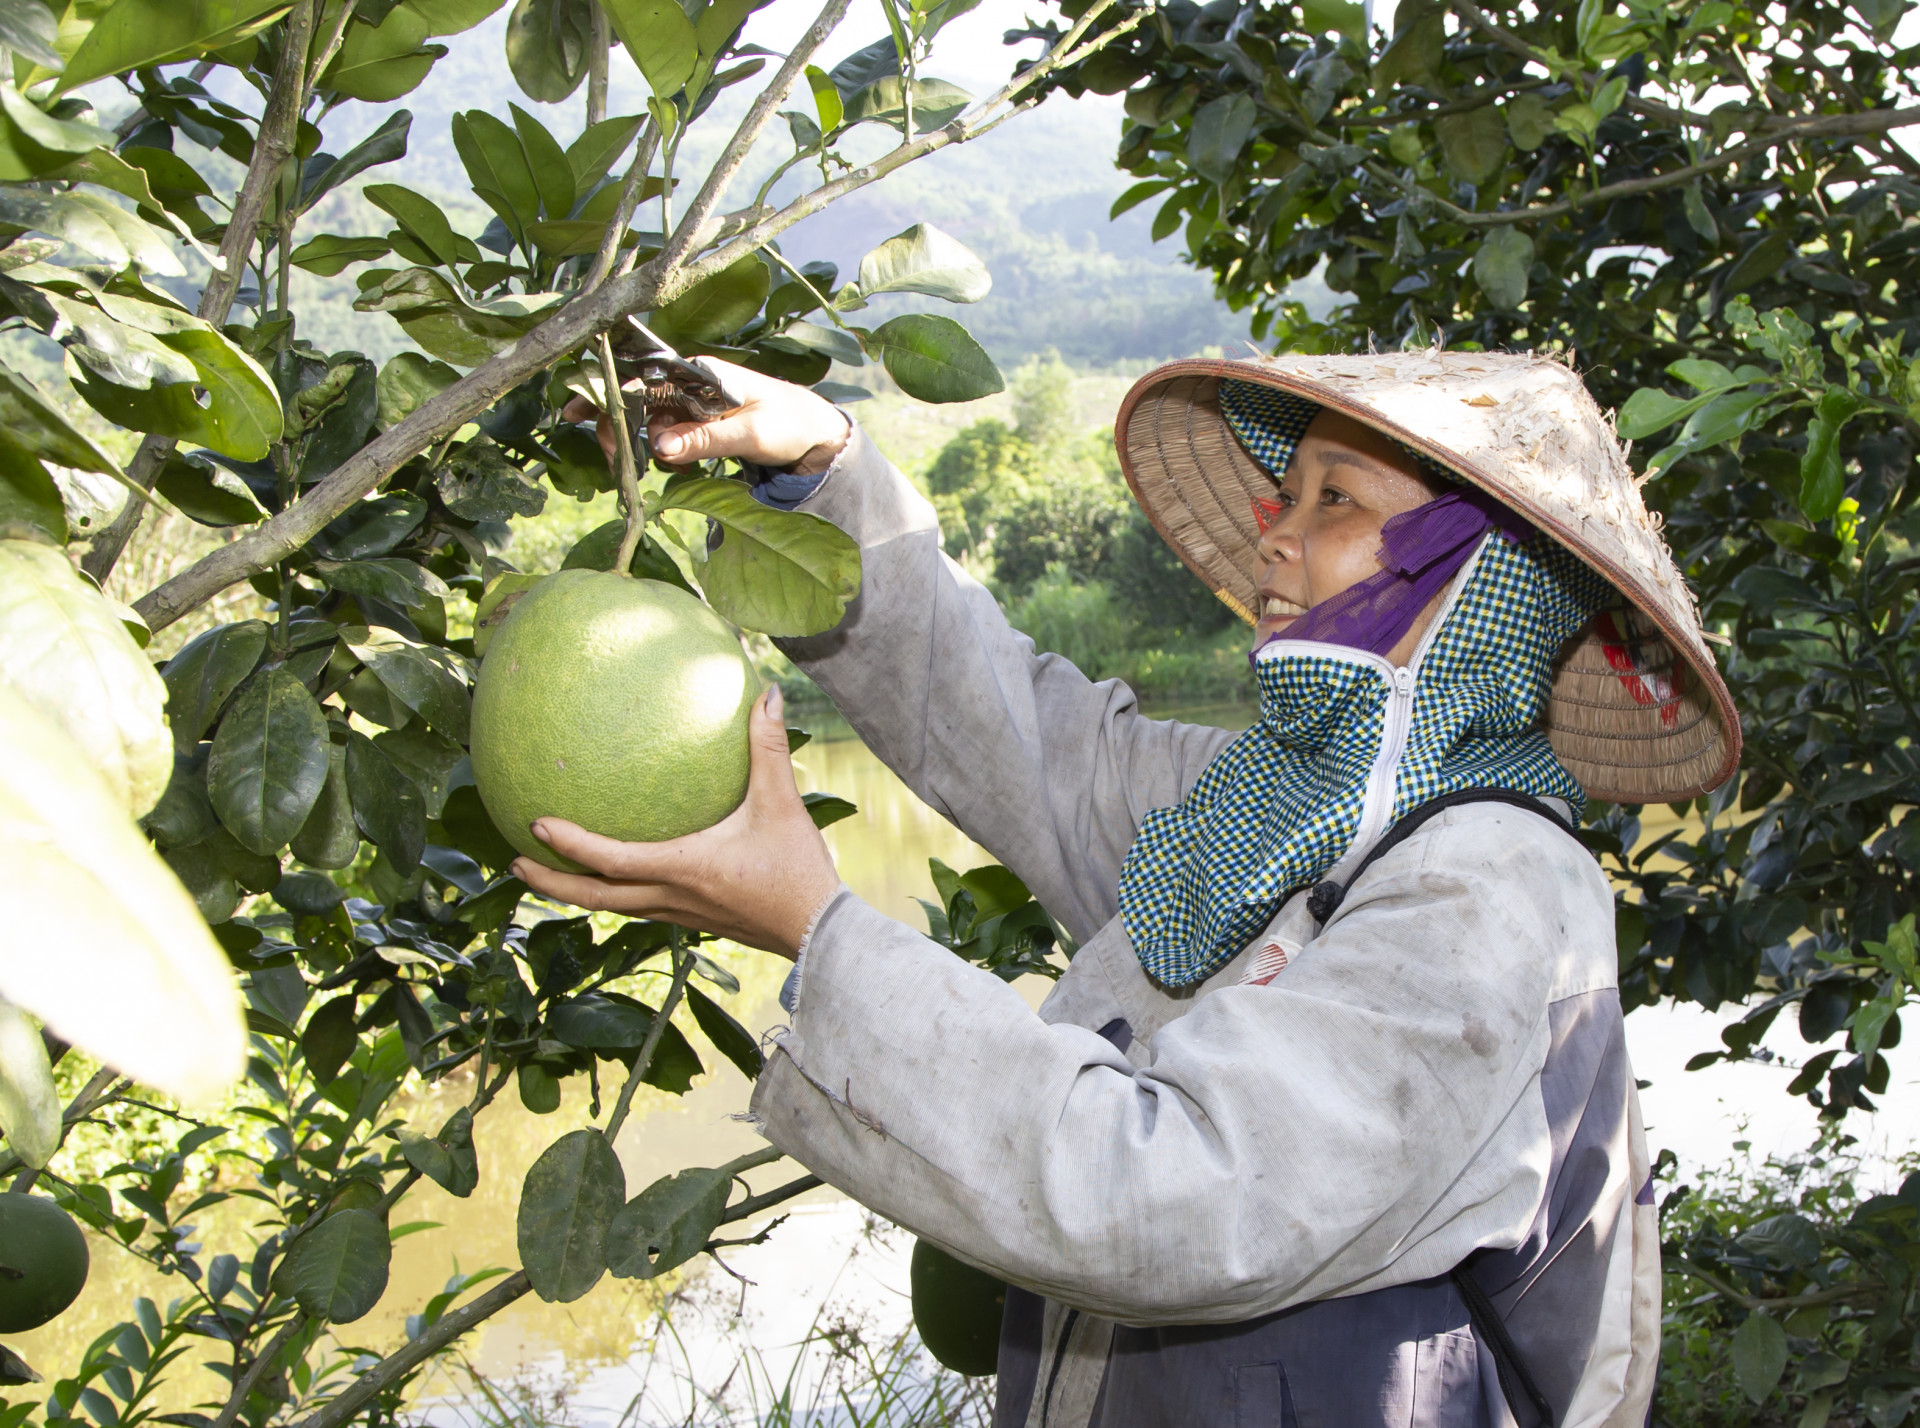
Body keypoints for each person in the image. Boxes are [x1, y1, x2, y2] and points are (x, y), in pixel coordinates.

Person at [525, 351, 1741, 1428]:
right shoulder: (1265, 804)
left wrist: (817, 929)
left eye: (1338, 499)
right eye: (1291, 490)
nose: (1276, 528)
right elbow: (1016, 728)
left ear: (1486, 584)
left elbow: (1178, 1197)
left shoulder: (1494, 886)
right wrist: (822, 466)